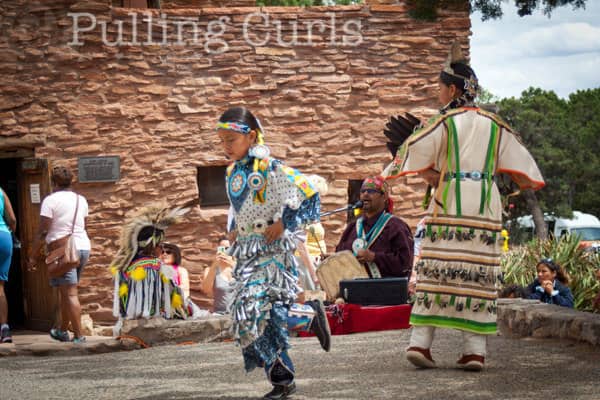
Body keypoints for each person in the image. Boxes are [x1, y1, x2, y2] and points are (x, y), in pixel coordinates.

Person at [383, 41, 545, 371]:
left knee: (439, 269)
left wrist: (405, 168)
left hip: (450, 201)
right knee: (477, 273)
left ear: (453, 89)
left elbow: (409, 154)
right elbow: (526, 173)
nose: (438, 94)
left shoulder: (444, 123)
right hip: (485, 205)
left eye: (440, 89)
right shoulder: (496, 125)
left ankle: (420, 344)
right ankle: (474, 351)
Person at [217, 106, 330, 400]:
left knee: (260, 312)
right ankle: (307, 316)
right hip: (247, 252)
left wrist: (284, 223)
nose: (225, 147)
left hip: (272, 251)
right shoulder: (232, 172)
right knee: (244, 316)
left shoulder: (270, 167)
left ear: (251, 136)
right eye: (222, 140)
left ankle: (282, 380)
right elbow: (237, 209)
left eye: (231, 140)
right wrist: (232, 230)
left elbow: (308, 193)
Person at [28, 166, 91, 344]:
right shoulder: (81, 200)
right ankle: (63, 331)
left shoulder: (51, 201)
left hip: (63, 251)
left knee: (70, 293)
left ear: (53, 182)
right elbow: (84, 225)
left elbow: (42, 231)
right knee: (66, 292)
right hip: (83, 246)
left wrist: (33, 255)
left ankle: (79, 336)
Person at [110, 204, 205, 322]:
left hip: (131, 317)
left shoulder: (127, 267)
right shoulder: (155, 265)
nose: (162, 248)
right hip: (154, 316)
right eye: (160, 244)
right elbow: (173, 297)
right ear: (152, 245)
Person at [335, 176, 414, 279]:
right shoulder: (353, 227)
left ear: (384, 196)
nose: (365, 194)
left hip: (385, 291)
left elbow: (405, 264)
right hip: (355, 291)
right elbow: (341, 254)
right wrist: (333, 258)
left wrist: (374, 257)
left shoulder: (395, 227)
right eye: (363, 191)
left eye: (371, 191)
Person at [200, 238, 235, 314]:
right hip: (220, 314)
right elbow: (206, 290)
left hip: (240, 313)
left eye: (227, 248)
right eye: (222, 248)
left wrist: (234, 265)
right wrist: (214, 265)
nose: (225, 251)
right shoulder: (210, 270)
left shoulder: (241, 267)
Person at [0, 187, 17, 343]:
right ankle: (4, 329)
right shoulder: (1, 192)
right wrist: (13, 233)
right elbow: (11, 219)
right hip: (3, 236)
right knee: (0, 287)